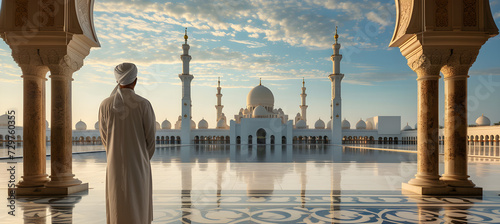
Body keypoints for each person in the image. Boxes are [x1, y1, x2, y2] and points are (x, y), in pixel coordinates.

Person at [98, 63, 156, 224]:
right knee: (138, 203)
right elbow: (151, 140)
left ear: (117, 81)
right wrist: (141, 157)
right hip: (139, 165)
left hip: (114, 165)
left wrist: (114, 153)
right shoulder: (143, 104)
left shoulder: (105, 105)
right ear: (135, 81)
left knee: (118, 204)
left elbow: (105, 138)